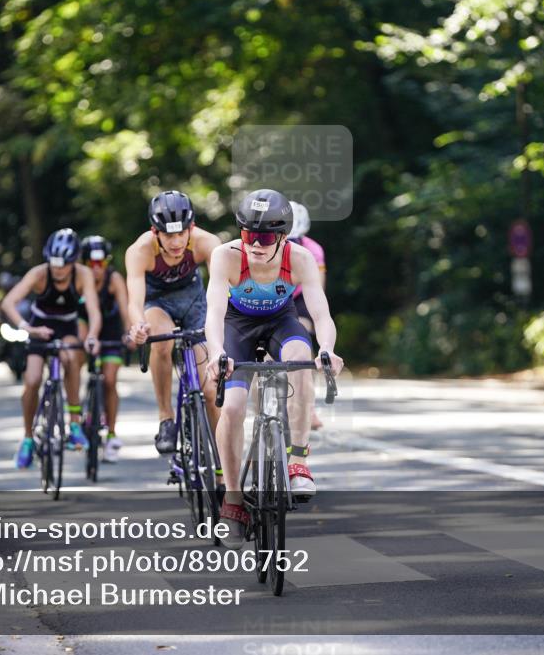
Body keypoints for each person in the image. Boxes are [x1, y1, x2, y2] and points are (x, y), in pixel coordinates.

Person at [204, 189, 344, 549]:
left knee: (301, 354)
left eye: (265, 236)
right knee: (232, 408)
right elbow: (215, 313)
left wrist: (327, 349)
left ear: (282, 235)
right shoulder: (225, 256)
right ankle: (233, 499)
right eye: (249, 235)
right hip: (238, 326)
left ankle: (298, 461)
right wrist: (218, 353)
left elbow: (321, 315)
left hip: (281, 321)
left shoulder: (300, 258)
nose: (255, 244)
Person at [125, 190, 222, 454]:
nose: (177, 241)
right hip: (157, 302)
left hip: (194, 300)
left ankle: (223, 467)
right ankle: (166, 418)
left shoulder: (207, 243)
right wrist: (138, 326)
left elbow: (223, 288)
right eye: (168, 235)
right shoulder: (139, 251)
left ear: (192, 227)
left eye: (182, 233)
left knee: (211, 392)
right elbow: (134, 302)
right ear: (155, 232)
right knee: (162, 341)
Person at [0, 229, 102, 469]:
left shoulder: (83, 274)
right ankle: (27, 438)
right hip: (39, 327)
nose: (58, 270)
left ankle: (74, 423)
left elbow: (94, 311)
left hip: (66, 326)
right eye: (54, 264)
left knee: (71, 358)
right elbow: (8, 302)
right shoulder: (38, 274)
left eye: (63, 265)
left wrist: (93, 336)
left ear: (73, 261)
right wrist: (27, 328)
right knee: (33, 379)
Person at [77, 235, 134, 463]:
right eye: (92, 263)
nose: (98, 268)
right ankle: (83, 407)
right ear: (84, 263)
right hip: (85, 326)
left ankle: (111, 433)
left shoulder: (114, 279)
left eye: (102, 263)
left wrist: (129, 333)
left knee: (109, 380)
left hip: (110, 332)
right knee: (74, 358)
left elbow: (125, 310)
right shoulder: (79, 279)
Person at [287, 201, 328, 430]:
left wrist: (315, 316)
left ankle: (308, 405)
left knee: (302, 332)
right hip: (272, 294)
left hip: (301, 294)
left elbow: (318, 289)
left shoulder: (313, 250)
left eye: (295, 241)